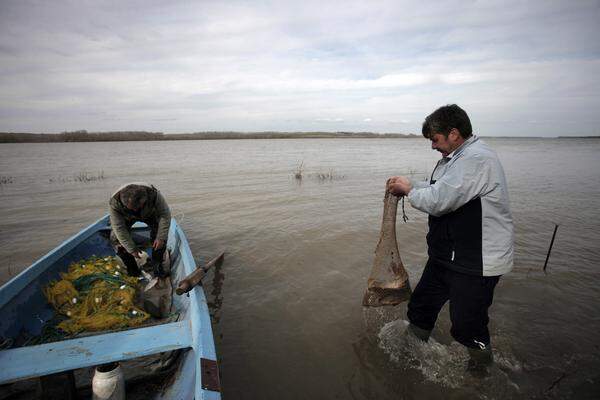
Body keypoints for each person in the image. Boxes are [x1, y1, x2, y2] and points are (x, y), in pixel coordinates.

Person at [387, 104, 514, 375]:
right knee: (421, 306)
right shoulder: (454, 158)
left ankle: (482, 375)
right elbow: (438, 188)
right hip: (446, 256)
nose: (433, 146)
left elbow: (441, 201)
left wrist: (408, 190)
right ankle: (410, 359)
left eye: (435, 139)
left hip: (476, 262)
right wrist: (411, 184)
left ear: (454, 134)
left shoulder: (477, 159)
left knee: (468, 326)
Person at [109, 182, 171, 278]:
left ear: (144, 199)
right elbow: (119, 228)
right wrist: (131, 249)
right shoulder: (115, 203)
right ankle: (133, 271)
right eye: (132, 208)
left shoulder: (154, 194)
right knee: (116, 240)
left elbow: (165, 215)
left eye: (138, 207)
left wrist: (161, 237)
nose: (135, 210)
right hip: (126, 217)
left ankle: (157, 268)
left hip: (150, 213)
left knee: (160, 238)